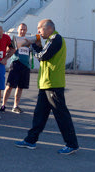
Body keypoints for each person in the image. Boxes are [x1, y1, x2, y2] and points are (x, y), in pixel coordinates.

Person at [15, 19, 80, 154]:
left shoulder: (56, 39)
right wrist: (38, 45)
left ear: (48, 28)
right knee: (39, 114)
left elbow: (43, 56)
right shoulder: (50, 41)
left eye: (40, 28)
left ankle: (72, 144)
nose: (38, 31)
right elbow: (43, 55)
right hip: (46, 84)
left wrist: (34, 46)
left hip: (53, 84)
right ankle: (31, 140)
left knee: (61, 115)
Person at [1, 23, 32, 113]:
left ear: (26, 30)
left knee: (20, 87)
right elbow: (7, 50)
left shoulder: (28, 41)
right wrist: (15, 45)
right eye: (21, 29)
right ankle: (3, 105)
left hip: (25, 66)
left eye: (24, 29)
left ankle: (15, 106)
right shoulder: (14, 39)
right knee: (9, 86)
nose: (22, 31)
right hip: (16, 64)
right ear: (18, 30)